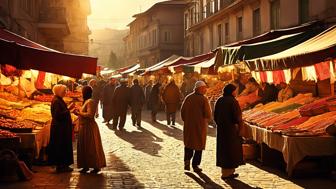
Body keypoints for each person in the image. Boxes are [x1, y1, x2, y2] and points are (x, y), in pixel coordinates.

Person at [214, 84, 244, 179]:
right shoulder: (233, 101)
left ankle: (226, 172)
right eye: (235, 90)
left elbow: (215, 115)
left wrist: (220, 123)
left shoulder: (219, 100)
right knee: (231, 151)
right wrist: (240, 126)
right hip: (231, 130)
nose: (236, 92)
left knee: (223, 150)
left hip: (222, 129)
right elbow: (237, 116)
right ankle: (228, 173)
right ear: (231, 91)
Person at [181, 81, 212, 172]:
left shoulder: (188, 97)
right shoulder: (203, 99)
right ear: (200, 88)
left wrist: (187, 121)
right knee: (199, 146)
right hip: (200, 126)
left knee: (189, 144)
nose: (205, 89)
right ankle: (195, 165)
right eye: (204, 88)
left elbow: (182, 111)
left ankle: (187, 161)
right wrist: (206, 120)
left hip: (189, 126)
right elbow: (208, 114)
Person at [74, 86, 106, 174]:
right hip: (84, 127)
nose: (81, 94)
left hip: (89, 127)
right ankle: (85, 165)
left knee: (91, 147)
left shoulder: (90, 101)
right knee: (84, 147)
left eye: (82, 92)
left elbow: (90, 114)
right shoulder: (86, 102)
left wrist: (79, 113)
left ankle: (95, 166)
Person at [48, 84, 74, 173]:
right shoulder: (56, 101)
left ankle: (63, 165)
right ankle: (61, 165)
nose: (65, 93)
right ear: (59, 91)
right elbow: (57, 115)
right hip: (60, 128)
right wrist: (69, 109)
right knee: (60, 146)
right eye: (64, 91)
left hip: (62, 127)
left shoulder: (58, 100)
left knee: (62, 146)